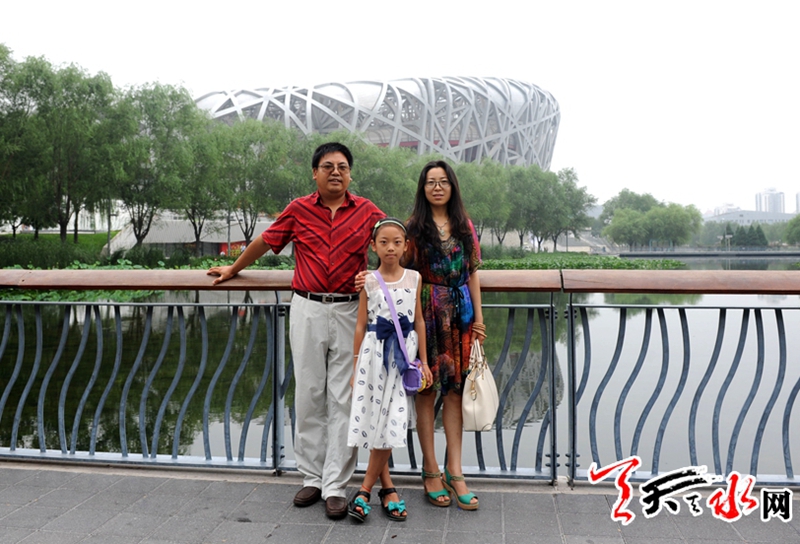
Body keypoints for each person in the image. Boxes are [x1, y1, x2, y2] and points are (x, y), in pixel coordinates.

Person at [207, 142, 384, 520]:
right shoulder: (299, 209)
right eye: (327, 166)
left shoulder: (368, 211)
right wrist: (233, 269)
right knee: (308, 393)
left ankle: (335, 485)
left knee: (344, 398)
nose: (335, 172)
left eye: (342, 167)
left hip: (350, 311)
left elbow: (395, 242)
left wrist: (378, 274)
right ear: (315, 173)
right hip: (307, 308)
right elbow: (265, 241)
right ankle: (312, 478)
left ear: (350, 174)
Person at [405, 160, 485, 511]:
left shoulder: (465, 226)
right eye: (430, 182)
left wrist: (479, 319)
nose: (437, 187)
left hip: (461, 315)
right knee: (426, 391)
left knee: (454, 392)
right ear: (423, 189)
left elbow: (473, 273)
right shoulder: (414, 227)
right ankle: (430, 469)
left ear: (452, 186)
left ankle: (456, 470)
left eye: (443, 182)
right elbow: (403, 273)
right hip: (426, 314)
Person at [347, 218, 432, 523]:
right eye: (383, 242)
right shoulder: (368, 280)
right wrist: (355, 365)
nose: (391, 248)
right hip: (373, 356)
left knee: (392, 417)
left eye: (397, 242)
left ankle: (364, 490)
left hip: (403, 358)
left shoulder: (414, 278)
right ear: (373, 246)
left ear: (406, 245)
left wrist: (423, 361)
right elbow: (361, 325)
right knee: (376, 418)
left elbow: (419, 321)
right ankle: (386, 489)